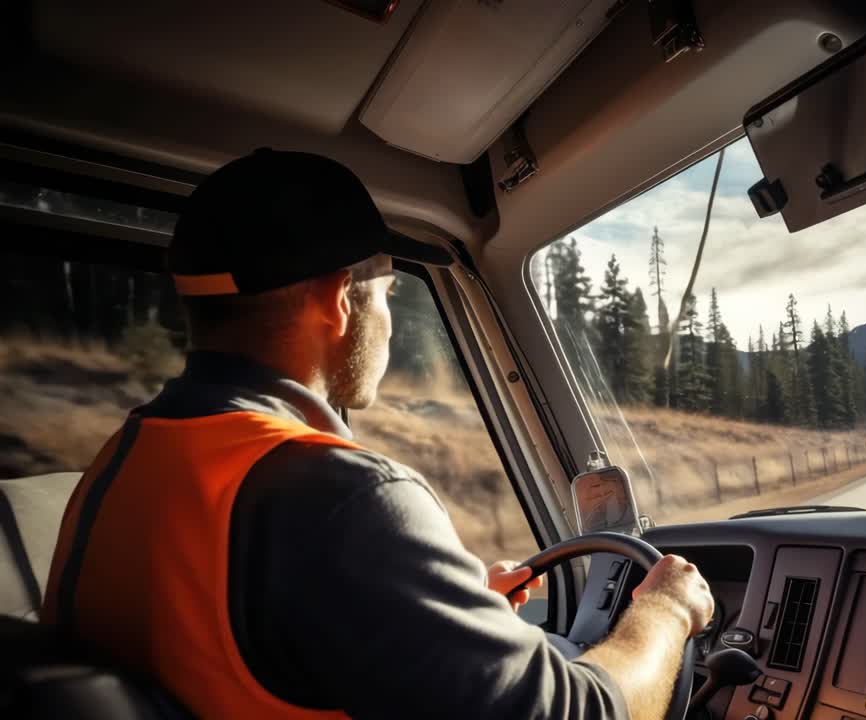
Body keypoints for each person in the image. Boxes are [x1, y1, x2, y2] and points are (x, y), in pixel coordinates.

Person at [41, 149, 715, 719]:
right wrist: (667, 610)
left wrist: (426, 608)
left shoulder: (120, 462)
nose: (389, 320)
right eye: (388, 295)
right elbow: (582, 711)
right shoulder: (342, 497)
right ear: (341, 301)